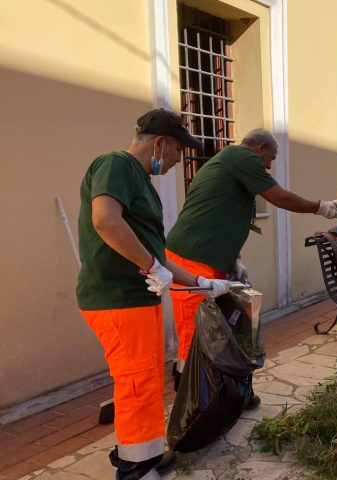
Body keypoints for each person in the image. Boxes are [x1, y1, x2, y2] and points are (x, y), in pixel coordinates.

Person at [76, 109, 231, 480]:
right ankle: (133, 468)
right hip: (117, 297)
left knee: (144, 379)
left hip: (135, 298)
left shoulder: (142, 181)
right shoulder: (117, 164)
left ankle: (143, 452)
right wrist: (151, 267)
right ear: (160, 142)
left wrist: (200, 282)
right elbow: (105, 220)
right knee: (135, 381)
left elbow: (157, 256)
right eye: (178, 149)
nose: (179, 159)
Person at [165, 128, 337, 400]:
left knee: (226, 326)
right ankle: (192, 401)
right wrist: (323, 207)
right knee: (196, 333)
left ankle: (227, 394)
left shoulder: (234, 164)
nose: (270, 164)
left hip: (212, 259)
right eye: (271, 157)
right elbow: (281, 198)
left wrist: (235, 260)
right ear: (260, 147)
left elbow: (225, 216)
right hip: (193, 259)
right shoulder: (241, 156)